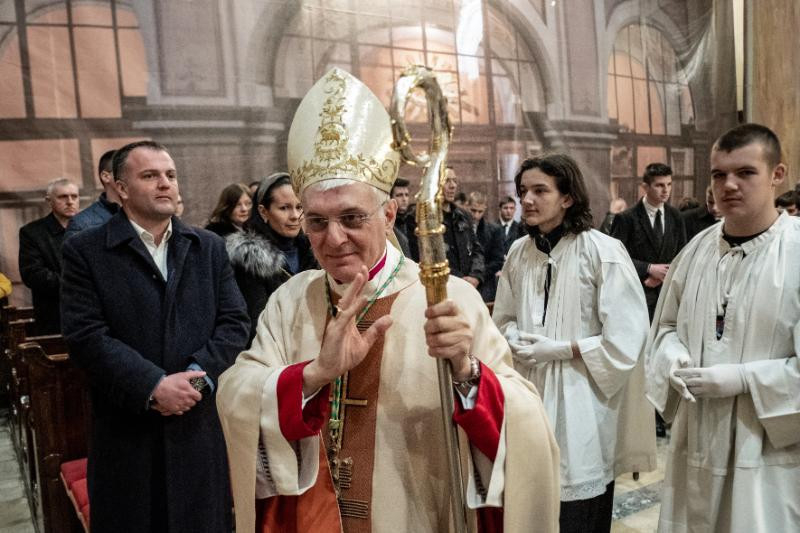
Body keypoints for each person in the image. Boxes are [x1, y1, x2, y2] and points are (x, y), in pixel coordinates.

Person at [216, 67, 560, 533]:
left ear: (390, 214)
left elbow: (527, 424)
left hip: (418, 513)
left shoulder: (447, 298)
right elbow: (237, 391)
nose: (334, 238)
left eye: (352, 218)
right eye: (316, 222)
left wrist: (467, 373)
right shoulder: (291, 299)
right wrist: (314, 375)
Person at [60, 140, 250, 532]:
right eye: (150, 175)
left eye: (170, 175)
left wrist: (197, 378)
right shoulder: (86, 250)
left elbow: (234, 322)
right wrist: (152, 385)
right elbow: (86, 335)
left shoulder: (208, 247)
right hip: (128, 429)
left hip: (196, 427)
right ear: (121, 188)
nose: (165, 183)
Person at [646, 123, 800, 532]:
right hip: (697, 438)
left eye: (745, 172)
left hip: (767, 447)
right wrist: (673, 357)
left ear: (777, 174)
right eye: (719, 174)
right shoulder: (695, 250)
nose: (728, 185)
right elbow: (665, 327)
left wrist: (745, 379)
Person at [493, 154, 655, 533]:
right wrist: (513, 336)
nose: (527, 200)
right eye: (523, 191)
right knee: (529, 506)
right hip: (529, 396)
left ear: (567, 197)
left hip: (583, 401)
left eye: (540, 191)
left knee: (579, 512)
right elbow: (503, 318)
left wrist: (564, 349)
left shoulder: (603, 251)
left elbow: (627, 336)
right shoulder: (519, 252)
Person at [227, 172, 316, 343]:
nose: (295, 216)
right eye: (284, 208)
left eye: (299, 207)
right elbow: (258, 323)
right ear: (263, 212)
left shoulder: (311, 250)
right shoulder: (250, 259)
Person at [610, 163, 687, 321]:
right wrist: (648, 269)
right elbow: (614, 258)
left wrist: (661, 277)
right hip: (636, 296)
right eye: (659, 185)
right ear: (645, 187)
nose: (666, 190)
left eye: (669, 184)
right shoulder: (626, 218)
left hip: (668, 298)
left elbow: (683, 255)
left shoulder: (676, 217)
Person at [19, 178, 79, 334]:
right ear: (49, 201)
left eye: (74, 196)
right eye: (63, 197)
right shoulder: (32, 232)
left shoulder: (91, 229)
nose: (70, 202)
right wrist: (77, 285)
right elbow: (32, 274)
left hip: (90, 314)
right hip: (54, 317)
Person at [408, 166, 485, 288]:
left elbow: (477, 250)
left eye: (455, 181)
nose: (453, 185)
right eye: (447, 181)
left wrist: (476, 276)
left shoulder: (464, 216)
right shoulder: (419, 218)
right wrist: (459, 280)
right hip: (438, 287)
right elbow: (421, 258)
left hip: (469, 287)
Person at [65, 150, 120, 239]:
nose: (133, 176)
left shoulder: (142, 215)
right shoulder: (82, 224)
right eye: (127, 170)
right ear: (106, 176)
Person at [467, 192, 505, 302]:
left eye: (480, 211)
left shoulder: (494, 230)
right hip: (462, 281)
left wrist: (478, 277)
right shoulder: (458, 229)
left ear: (485, 209)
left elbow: (498, 261)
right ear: (467, 206)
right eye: (473, 210)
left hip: (485, 284)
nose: (476, 215)